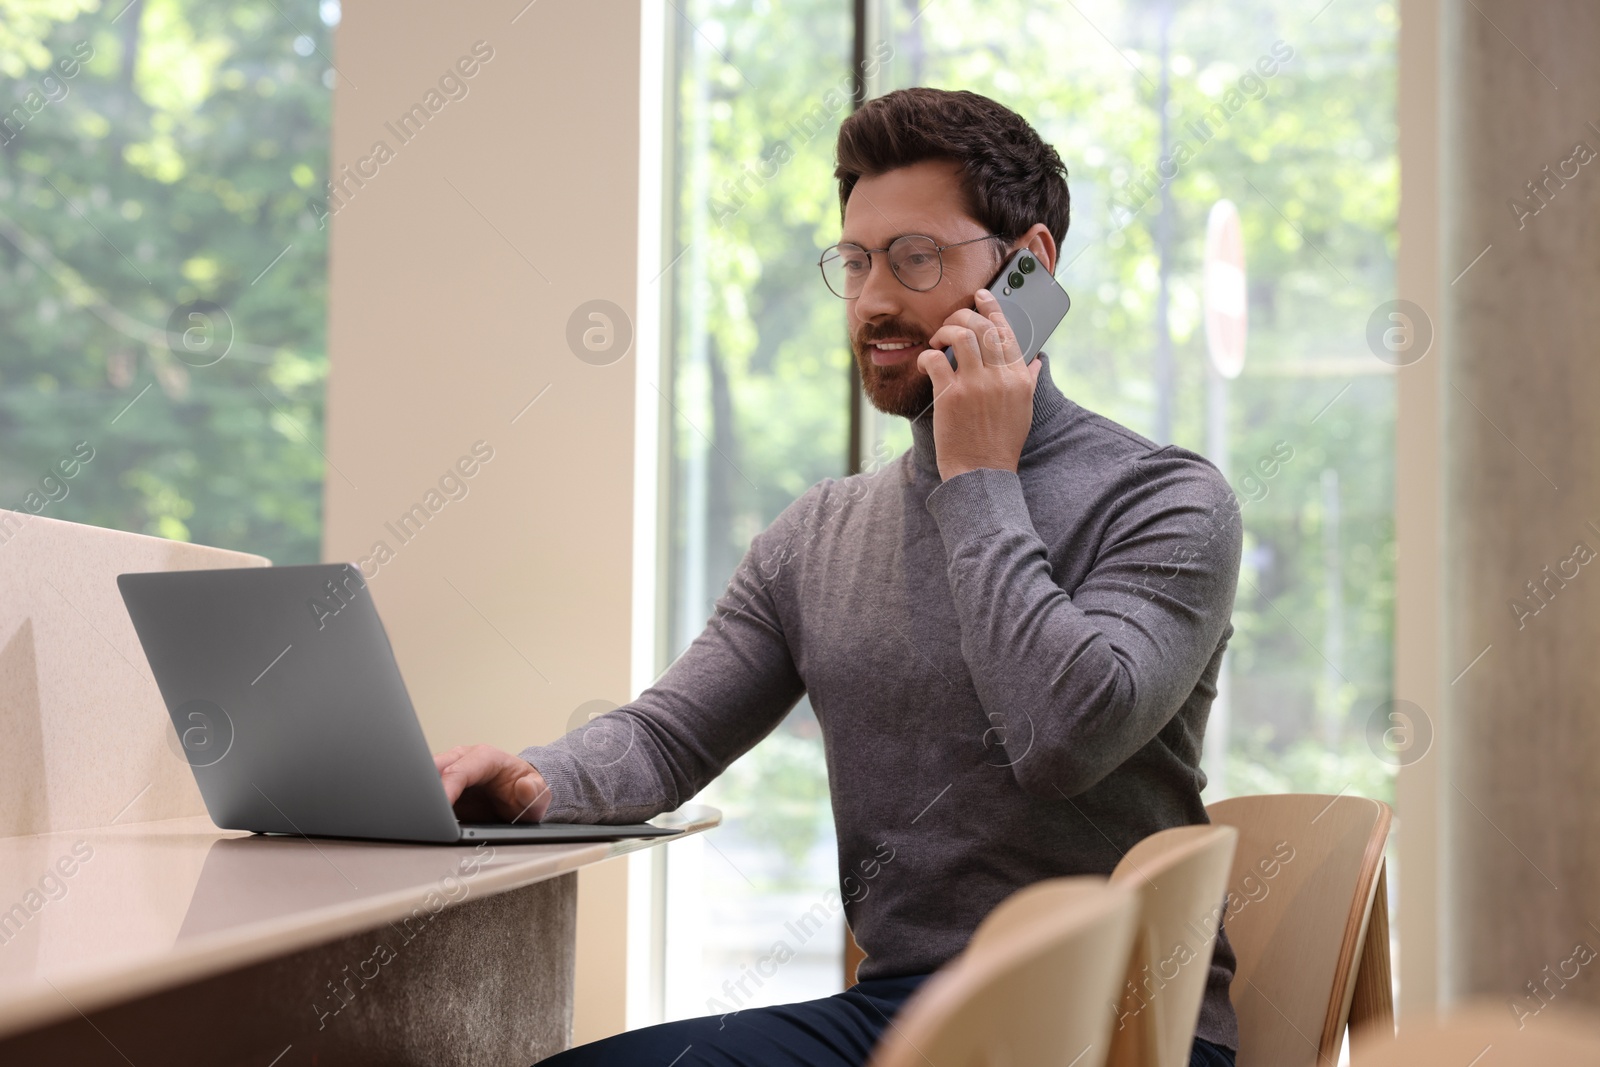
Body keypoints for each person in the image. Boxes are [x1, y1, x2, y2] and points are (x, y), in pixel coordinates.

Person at [434, 86, 1243, 1067]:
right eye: (855, 261)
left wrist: (977, 476)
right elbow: (667, 736)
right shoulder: (817, 532)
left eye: (914, 257)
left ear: (1027, 266)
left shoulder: (1168, 499)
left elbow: (1060, 738)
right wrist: (530, 782)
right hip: (904, 1014)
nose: (873, 300)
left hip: (1124, 1029)